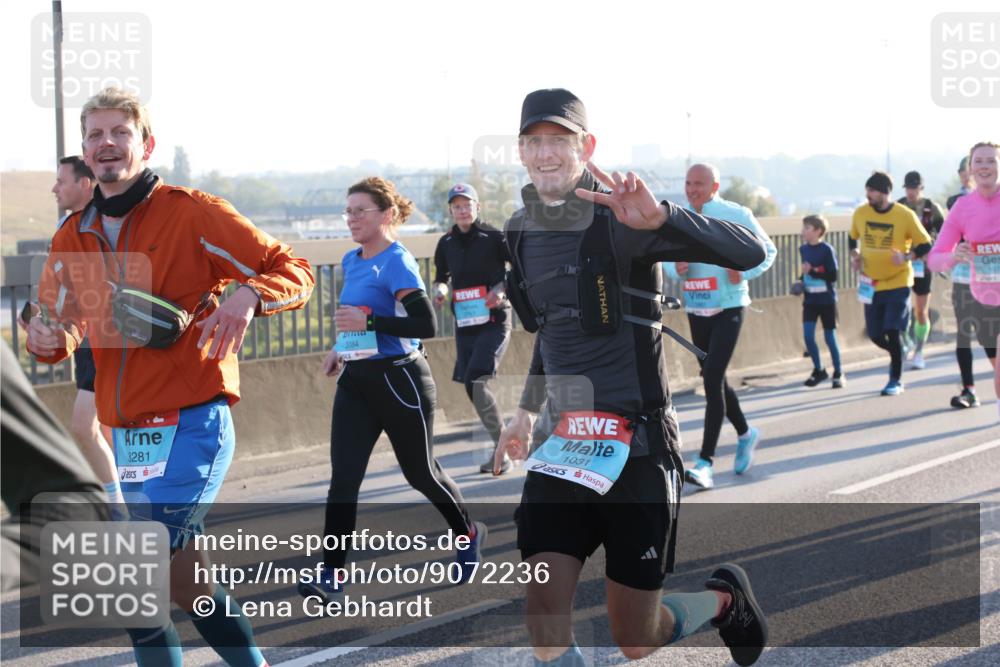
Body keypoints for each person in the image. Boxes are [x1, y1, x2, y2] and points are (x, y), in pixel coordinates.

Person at [26, 87, 315, 667]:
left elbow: (294, 270)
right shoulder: (71, 235)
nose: (107, 144)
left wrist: (249, 297)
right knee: (189, 590)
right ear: (86, 152)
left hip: (192, 424)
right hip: (129, 434)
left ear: (145, 143)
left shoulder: (193, 211)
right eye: (95, 135)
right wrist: (49, 340)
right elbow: (63, 326)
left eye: (119, 133)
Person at [495, 88, 769, 667]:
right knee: (544, 620)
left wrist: (665, 216)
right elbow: (551, 332)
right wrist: (523, 413)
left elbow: (754, 253)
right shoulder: (518, 232)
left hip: (637, 446)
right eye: (534, 142)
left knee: (636, 638)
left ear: (586, 147)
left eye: (560, 142)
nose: (546, 154)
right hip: (563, 445)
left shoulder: (625, 219)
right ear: (520, 151)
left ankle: (722, 601)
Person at [301, 177, 485, 602]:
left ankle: (466, 532)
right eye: (347, 211)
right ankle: (332, 577)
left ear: (385, 215)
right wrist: (339, 349)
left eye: (358, 210)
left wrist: (369, 325)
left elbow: (426, 325)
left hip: (400, 381)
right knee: (343, 482)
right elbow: (358, 317)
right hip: (357, 382)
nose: (350, 218)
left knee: (420, 474)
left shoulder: (398, 262)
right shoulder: (352, 259)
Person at [663, 163, 776, 489]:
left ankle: (705, 463)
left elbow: (768, 251)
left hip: (729, 306)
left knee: (711, 379)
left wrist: (744, 272)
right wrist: (677, 269)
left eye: (699, 183)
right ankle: (746, 433)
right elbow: (669, 263)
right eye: (688, 183)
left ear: (714, 187)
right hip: (697, 308)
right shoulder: (678, 217)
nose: (692, 189)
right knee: (715, 379)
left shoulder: (735, 213)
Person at [44, 156, 126, 510]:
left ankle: (118, 506)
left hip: (107, 339)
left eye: (61, 181)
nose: (54, 188)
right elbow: (63, 285)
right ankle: (128, 503)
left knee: (83, 426)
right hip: (86, 340)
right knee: (105, 428)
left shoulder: (105, 224)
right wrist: (40, 312)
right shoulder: (69, 226)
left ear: (84, 183)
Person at [432, 183, 513, 474]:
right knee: (471, 385)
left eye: (467, 205)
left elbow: (516, 269)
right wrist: (439, 291)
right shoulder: (446, 243)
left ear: (477, 207)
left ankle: (502, 449)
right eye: (457, 206)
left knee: (477, 380)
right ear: (451, 211)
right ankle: (501, 447)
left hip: (494, 320)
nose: (462, 210)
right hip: (465, 323)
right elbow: (441, 277)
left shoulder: (493, 236)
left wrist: (501, 290)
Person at [928, 141, 1000, 405]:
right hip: (983, 301)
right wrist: (953, 256)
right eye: (978, 161)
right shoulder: (962, 208)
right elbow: (934, 260)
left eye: (991, 160)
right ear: (969, 169)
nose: (985, 166)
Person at [849, 171, 932, 396]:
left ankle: (895, 380)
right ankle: (900, 351)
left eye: (872, 191)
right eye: (867, 190)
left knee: (892, 330)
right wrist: (854, 255)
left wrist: (906, 257)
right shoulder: (861, 213)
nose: (868, 195)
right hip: (870, 283)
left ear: (885, 192)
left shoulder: (904, 215)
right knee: (876, 334)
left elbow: (926, 244)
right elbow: (852, 237)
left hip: (898, 282)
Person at [897, 171, 947, 369]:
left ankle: (919, 350)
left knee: (920, 311)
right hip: (902, 262)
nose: (911, 192)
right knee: (899, 308)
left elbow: (945, 233)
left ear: (921, 189)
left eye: (914, 188)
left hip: (923, 264)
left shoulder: (931, 208)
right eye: (908, 188)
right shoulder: (899, 206)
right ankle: (904, 343)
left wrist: (935, 252)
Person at [945, 156, 984, 408]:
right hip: (962, 280)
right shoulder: (954, 203)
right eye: (964, 170)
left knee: (990, 337)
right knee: (963, 336)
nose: (967, 174)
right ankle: (968, 390)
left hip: (989, 282)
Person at [797, 214, 844, 387]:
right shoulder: (803, 249)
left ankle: (838, 372)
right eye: (804, 228)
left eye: (807, 228)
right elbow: (805, 272)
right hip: (810, 300)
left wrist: (813, 272)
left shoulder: (827, 250)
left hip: (827, 301)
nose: (803, 231)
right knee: (808, 336)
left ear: (818, 231)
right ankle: (819, 370)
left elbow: (833, 276)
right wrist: (800, 281)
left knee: (829, 337)